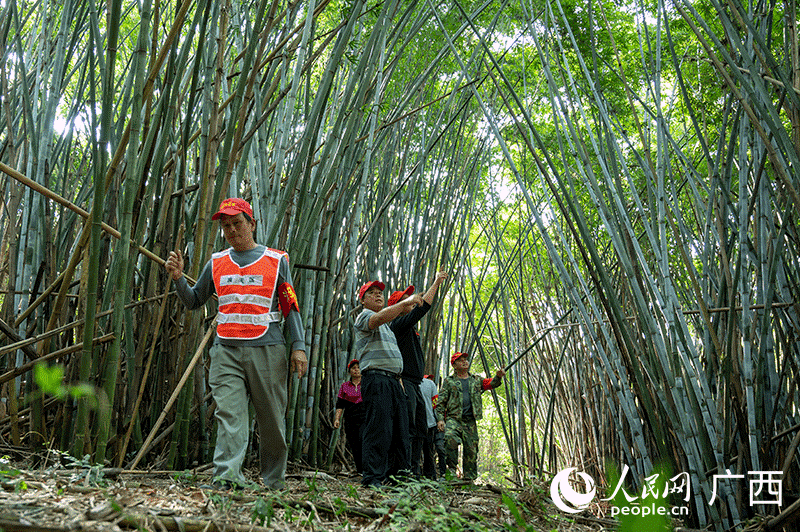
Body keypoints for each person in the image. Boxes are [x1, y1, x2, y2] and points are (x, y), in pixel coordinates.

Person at [165, 197, 307, 490]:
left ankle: (274, 482)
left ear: (252, 224)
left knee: (272, 421)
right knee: (229, 415)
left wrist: (299, 346)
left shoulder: (276, 260)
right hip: (226, 350)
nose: (231, 230)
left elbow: (290, 306)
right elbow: (194, 301)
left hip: (268, 348)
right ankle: (226, 479)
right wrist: (178, 278)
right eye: (226, 225)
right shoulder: (216, 262)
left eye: (237, 223)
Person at [353, 280, 423, 488]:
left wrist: (399, 382)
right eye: (372, 293)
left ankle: (398, 478)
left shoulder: (389, 329)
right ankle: (373, 477)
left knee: (400, 430)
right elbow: (377, 319)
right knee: (379, 428)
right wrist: (405, 303)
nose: (378, 296)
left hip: (394, 382)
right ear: (363, 300)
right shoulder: (365, 316)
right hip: (376, 379)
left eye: (380, 293)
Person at [387, 271, 447, 477]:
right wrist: (436, 282)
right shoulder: (398, 324)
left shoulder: (409, 328)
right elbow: (424, 308)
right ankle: (404, 471)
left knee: (421, 428)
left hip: (417, 383)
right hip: (405, 382)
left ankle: (419, 471)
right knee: (408, 427)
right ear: (397, 307)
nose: (412, 302)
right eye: (406, 301)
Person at [436, 351, 505, 482]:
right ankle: (450, 472)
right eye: (460, 360)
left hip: (470, 421)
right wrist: (440, 419)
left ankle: (469, 479)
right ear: (454, 365)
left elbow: (491, 384)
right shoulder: (449, 381)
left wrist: (498, 376)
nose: (464, 361)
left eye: (465, 359)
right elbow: (441, 402)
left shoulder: (476, 380)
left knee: (471, 449)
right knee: (450, 439)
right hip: (453, 418)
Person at [333, 359, 365, 473]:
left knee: (365, 442)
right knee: (354, 444)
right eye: (353, 368)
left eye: (358, 367)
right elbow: (340, 404)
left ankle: (368, 469)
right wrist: (337, 419)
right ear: (349, 371)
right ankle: (360, 470)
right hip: (351, 420)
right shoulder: (345, 386)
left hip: (364, 419)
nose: (356, 370)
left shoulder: (366, 384)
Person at [418, 374, 439, 480]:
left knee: (420, 449)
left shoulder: (430, 384)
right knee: (428, 450)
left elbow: (435, 403)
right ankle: (430, 475)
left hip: (423, 422)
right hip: (428, 422)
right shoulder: (430, 384)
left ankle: (415, 473)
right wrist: (438, 419)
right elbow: (435, 404)